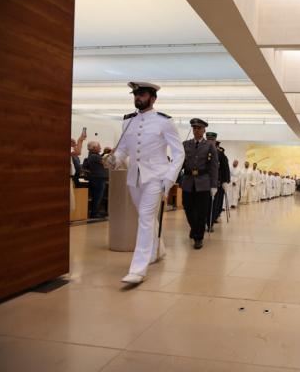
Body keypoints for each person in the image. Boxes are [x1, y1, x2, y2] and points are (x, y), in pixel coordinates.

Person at [105, 82, 184, 284]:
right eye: (135, 94)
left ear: (153, 98)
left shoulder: (164, 121)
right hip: (134, 177)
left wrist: (169, 179)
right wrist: (114, 160)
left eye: (142, 94)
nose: (137, 97)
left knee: (146, 218)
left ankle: (138, 269)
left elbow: (179, 153)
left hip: (156, 176)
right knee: (145, 216)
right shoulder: (128, 121)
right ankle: (158, 249)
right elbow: (123, 149)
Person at [180, 119, 218, 249]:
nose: (196, 130)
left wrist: (214, 185)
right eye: (194, 128)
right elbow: (179, 163)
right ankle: (194, 228)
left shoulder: (209, 146)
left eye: (199, 128)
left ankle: (198, 237)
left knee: (201, 211)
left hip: (203, 182)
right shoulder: (185, 144)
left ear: (204, 130)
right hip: (188, 181)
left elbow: (214, 167)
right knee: (187, 207)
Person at [206, 135, 230, 230]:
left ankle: (210, 223)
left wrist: (225, 181)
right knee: (203, 204)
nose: (210, 141)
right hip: (203, 183)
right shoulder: (202, 151)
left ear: (215, 141)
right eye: (208, 139)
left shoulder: (220, 154)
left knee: (213, 204)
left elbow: (225, 169)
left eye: (212, 140)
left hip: (216, 183)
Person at [83, 141, 108, 218]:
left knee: (96, 196)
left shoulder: (92, 155)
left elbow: (100, 159)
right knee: (98, 197)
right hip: (98, 179)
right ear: (94, 148)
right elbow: (105, 162)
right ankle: (95, 213)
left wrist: (104, 153)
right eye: (99, 146)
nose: (100, 147)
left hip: (95, 179)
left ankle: (95, 212)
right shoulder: (95, 156)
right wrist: (112, 153)